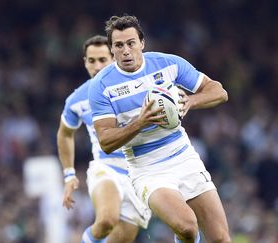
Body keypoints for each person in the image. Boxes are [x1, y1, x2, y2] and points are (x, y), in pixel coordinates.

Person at [88, 15, 231, 243]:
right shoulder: (101, 86)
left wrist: (191, 101)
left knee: (221, 239)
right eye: (119, 45)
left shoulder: (168, 64)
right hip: (146, 168)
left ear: (142, 43)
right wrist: (140, 122)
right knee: (187, 227)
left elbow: (219, 92)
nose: (126, 50)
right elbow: (105, 141)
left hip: (184, 156)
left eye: (131, 43)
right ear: (111, 49)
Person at [57, 35, 151, 243]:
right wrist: (69, 174)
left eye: (102, 60)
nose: (97, 66)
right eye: (92, 61)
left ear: (114, 58)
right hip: (106, 167)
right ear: (85, 62)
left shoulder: (136, 85)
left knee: (123, 237)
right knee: (107, 219)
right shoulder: (76, 100)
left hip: (140, 172)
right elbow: (65, 133)